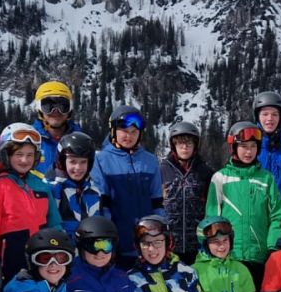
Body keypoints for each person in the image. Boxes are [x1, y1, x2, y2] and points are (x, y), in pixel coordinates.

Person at [206, 121, 281, 292]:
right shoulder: (220, 179)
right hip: (230, 255)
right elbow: (212, 218)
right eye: (243, 146)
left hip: (259, 255)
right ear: (234, 147)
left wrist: (272, 246)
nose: (248, 151)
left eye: (253, 146)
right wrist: (217, 248)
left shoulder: (267, 179)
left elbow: (276, 216)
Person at [0, 123, 62, 284]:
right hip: (9, 266)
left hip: (41, 262)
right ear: (7, 154)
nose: (24, 160)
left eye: (30, 154)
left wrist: (58, 254)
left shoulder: (41, 185)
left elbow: (55, 225)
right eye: (18, 154)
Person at [90, 104, 164, 268]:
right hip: (119, 241)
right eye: (124, 131)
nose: (129, 136)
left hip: (147, 242)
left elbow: (157, 202)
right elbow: (103, 204)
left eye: (133, 132)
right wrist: (108, 239)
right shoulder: (101, 160)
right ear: (113, 130)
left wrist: (160, 235)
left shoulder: (150, 161)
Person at [160, 120, 214, 266]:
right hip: (170, 241)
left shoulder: (204, 171)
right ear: (173, 145)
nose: (184, 147)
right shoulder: (163, 170)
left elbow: (212, 204)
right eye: (180, 143)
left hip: (196, 242)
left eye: (189, 143)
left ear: (195, 146)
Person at [52, 131, 108, 240]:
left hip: (90, 250)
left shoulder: (94, 190)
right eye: (72, 162)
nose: (78, 168)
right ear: (63, 162)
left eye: (83, 162)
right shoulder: (54, 189)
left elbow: (100, 222)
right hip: (65, 250)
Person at [31, 80, 82, 175]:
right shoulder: (29, 139)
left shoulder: (80, 140)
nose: (55, 111)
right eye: (48, 106)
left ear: (70, 109)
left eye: (62, 106)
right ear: (39, 109)